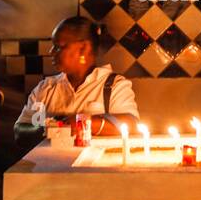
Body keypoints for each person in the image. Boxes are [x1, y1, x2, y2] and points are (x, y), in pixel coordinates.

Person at [14, 16, 139, 146]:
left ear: (83, 48)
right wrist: (52, 128)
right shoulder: (46, 89)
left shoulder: (113, 86)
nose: (51, 52)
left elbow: (132, 124)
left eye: (58, 47)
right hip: (50, 166)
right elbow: (20, 131)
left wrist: (85, 122)